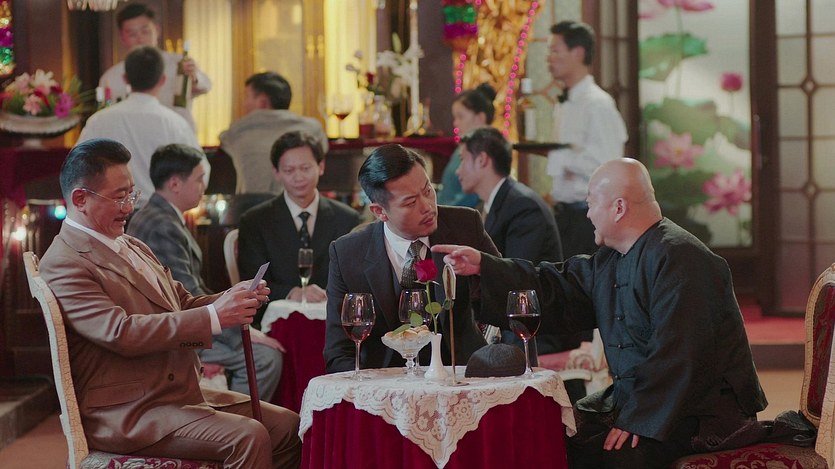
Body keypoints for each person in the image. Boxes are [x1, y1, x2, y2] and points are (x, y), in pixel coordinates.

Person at [433, 158, 767, 468]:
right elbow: (557, 286)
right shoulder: (612, 258)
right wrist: (485, 267)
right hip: (641, 401)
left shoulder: (683, 259)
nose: (588, 214)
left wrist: (637, 419)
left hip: (697, 412)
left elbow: (680, 355)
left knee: (608, 457)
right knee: (550, 431)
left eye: (592, 203)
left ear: (618, 208)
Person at [39, 138, 301, 468]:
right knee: (249, 436)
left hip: (176, 394)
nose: (129, 207)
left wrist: (228, 299)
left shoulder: (131, 244)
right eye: (119, 197)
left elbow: (182, 301)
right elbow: (121, 332)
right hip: (127, 411)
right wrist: (214, 315)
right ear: (81, 199)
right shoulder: (64, 262)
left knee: (289, 426)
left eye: (132, 194)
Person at [323, 144, 500, 373]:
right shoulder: (348, 253)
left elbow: (504, 296)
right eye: (410, 202)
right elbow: (339, 352)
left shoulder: (465, 226)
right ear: (380, 211)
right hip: (384, 382)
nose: (427, 207)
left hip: (459, 374)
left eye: (428, 191)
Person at [128, 143, 284, 400]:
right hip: (172, 333)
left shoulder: (161, 216)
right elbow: (184, 297)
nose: (204, 187)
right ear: (175, 183)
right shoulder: (161, 225)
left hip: (181, 322)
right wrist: (240, 332)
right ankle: (237, 418)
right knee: (265, 357)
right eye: (199, 179)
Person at [456, 126, 587, 368]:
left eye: (462, 160)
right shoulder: (493, 205)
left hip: (535, 329)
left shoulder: (523, 206)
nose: (458, 170)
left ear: (482, 159)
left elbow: (519, 278)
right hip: (507, 322)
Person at [238, 131, 360, 308]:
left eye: (305, 168)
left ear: (321, 166)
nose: (298, 177)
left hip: (333, 315)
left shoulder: (347, 219)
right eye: (289, 170)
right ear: (276, 172)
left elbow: (355, 279)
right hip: (277, 317)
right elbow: (252, 284)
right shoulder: (255, 222)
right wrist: (292, 293)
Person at [79, 45, 207, 209]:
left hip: (110, 212)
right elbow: (200, 172)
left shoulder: (99, 121)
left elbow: (77, 169)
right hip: (160, 213)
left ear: (125, 79)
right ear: (162, 80)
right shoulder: (175, 123)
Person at [547, 20, 628, 258]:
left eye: (555, 50)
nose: (549, 58)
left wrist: (562, 158)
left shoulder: (598, 104)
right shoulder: (563, 104)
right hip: (564, 215)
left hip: (587, 218)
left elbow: (609, 166)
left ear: (578, 53)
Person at [99, 3, 211, 130]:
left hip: (176, 134)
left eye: (145, 32)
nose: (140, 39)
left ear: (157, 30)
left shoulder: (178, 64)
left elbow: (205, 86)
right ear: (122, 38)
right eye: (132, 34)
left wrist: (194, 78)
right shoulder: (111, 77)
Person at [219, 72, 328, 195]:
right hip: (298, 202)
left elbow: (224, 140)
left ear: (262, 102)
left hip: (251, 204)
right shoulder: (313, 128)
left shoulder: (238, 130)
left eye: (247, 97)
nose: (244, 104)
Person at [436, 83, 496, 208]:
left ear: (480, 118)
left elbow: (471, 197)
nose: (455, 123)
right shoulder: (464, 147)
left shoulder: (485, 152)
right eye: (455, 117)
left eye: (460, 117)